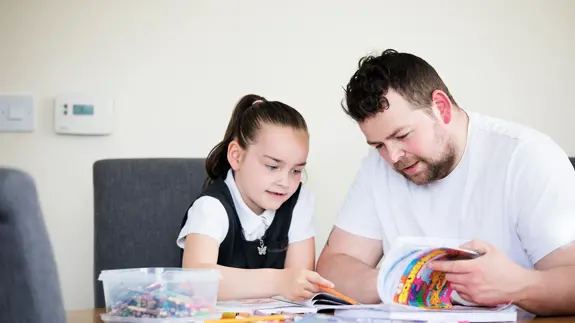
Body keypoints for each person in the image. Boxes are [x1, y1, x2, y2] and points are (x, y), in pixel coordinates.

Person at [316, 49, 575, 316]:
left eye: (402, 135)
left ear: (441, 107)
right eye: (379, 144)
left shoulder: (525, 156)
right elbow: (331, 267)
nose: (393, 157)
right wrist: (399, 281)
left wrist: (517, 286)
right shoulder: (378, 166)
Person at [177, 94, 333, 301]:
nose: (285, 182)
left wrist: (289, 283)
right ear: (236, 156)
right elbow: (196, 281)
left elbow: (298, 286)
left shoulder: (299, 200)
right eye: (272, 166)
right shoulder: (211, 207)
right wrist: (278, 281)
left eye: (296, 171)